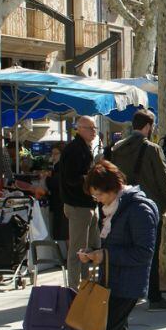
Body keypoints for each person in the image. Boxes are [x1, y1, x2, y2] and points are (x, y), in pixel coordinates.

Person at [79, 160, 159, 330]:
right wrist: (94, 253)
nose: (97, 199)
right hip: (113, 282)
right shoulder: (114, 208)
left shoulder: (138, 209)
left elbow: (144, 252)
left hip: (127, 285)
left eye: (99, 194)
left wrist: (105, 255)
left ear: (113, 187)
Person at [109, 109, 166, 311]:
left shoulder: (117, 149)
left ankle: (127, 292)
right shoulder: (152, 149)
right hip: (147, 206)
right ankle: (153, 296)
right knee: (149, 252)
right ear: (148, 127)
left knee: (125, 249)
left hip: (122, 205)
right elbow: (162, 179)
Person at [60, 116, 100, 287]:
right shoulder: (74, 149)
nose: (94, 132)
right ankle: (74, 288)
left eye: (94, 128)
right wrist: (91, 178)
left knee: (89, 249)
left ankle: (85, 284)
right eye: (91, 128)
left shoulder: (84, 148)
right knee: (78, 250)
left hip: (87, 204)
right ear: (80, 129)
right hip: (78, 205)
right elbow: (71, 178)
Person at [43, 144, 69, 246]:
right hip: (60, 203)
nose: (53, 156)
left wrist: (48, 178)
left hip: (62, 203)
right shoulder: (58, 167)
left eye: (56, 154)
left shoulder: (62, 167)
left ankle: (70, 259)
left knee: (66, 234)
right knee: (65, 234)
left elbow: (55, 183)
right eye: (52, 154)